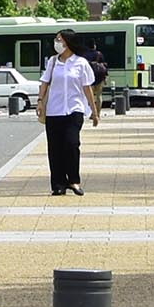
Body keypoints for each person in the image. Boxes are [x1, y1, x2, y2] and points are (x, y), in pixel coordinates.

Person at [39, 29, 101, 196]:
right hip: (54, 111)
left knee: (72, 144)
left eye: (59, 39)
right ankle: (58, 184)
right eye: (56, 39)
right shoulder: (53, 62)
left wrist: (94, 112)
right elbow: (44, 82)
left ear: (68, 42)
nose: (56, 42)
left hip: (74, 110)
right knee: (55, 148)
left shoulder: (81, 63)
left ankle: (73, 180)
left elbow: (87, 88)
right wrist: (40, 102)